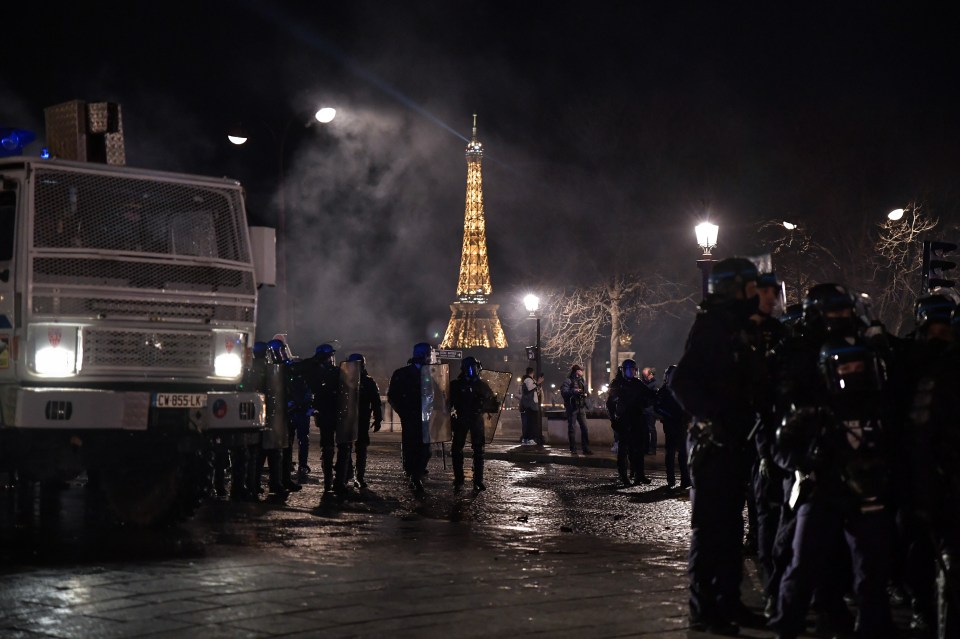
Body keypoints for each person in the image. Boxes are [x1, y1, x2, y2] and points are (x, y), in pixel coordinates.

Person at [670, 256, 767, 635]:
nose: (757, 294)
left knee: (730, 528)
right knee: (711, 530)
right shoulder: (712, 325)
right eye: (752, 286)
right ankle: (703, 608)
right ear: (737, 288)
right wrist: (710, 420)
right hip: (715, 443)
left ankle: (729, 602)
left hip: (735, 439)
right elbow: (682, 381)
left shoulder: (737, 326)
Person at [388, 342, 433, 495]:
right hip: (411, 416)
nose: (430, 357)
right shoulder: (402, 373)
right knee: (412, 446)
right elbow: (393, 396)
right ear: (424, 355)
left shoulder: (431, 373)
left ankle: (416, 473)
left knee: (425, 449)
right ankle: (414, 474)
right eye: (429, 353)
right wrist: (403, 412)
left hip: (425, 417)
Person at [449, 356, 499, 492]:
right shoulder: (479, 385)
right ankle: (474, 480)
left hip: (467, 419)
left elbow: (492, 405)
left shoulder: (457, 385)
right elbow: (493, 405)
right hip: (471, 419)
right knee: (474, 451)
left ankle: (464, 480)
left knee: (465, 450)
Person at [606, 359, 656, 486]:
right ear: (624, 370)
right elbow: (610, 404)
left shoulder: (637, 383)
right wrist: (613, 419)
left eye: (633, 369)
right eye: (630, 369)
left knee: (638, 449)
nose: (632, 371)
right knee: (623, 450)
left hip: (637, 419)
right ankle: (623, 476)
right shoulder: (617, 384)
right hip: (624, 420)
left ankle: (639, 475)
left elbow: (649, 394)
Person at [302, 343, 342, 496]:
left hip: (331, 412)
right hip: (327, 412)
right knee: (329, 447)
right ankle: (330, 480)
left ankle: (334, 479)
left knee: (333, 446)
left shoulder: (329, 371)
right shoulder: (316, 371)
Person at [347, 353, 382, 489]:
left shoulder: (368, 382)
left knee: (360, 448)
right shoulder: (345, 380)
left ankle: (359, 476)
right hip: (349, 418)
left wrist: (378, 418)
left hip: (361, 419)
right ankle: (349, 472)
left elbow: (376, 401)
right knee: (347, 447)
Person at [654, 364, 690, 490]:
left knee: (683, 454)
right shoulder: (664, 391)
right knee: (670, 454)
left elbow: (688, 406)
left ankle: (685, 479)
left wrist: (686, 416)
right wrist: (669, 415)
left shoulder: (682, 390)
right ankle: (671, 479)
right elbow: (657, 407)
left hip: (681, 425)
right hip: (670, 425)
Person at [560, 365, 592, 455]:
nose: (582, 372)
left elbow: (586, 392)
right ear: (577, 371)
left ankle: (586, 448)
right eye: (581, 370)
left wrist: (585, 394)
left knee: (585, 429)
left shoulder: (582, 380)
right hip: (572, 408)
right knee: (572, 429)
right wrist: (574, 391)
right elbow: (564, 392)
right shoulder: (568, 380)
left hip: (581, 407)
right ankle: (573, 449)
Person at [519, 367, 543, 445]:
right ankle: (530, 439)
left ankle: (526, 439)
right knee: (531, 423)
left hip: (531, 404)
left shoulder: (528, 380)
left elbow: (534, 391)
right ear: (532, 373)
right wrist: (538, 382)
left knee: (529, 422)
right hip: (530, 405)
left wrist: (538, 386)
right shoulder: (528, 380)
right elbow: (530, 388)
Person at [641, 367, 658, 454]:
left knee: (651, 429)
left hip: (651, 408)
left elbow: (646, 390)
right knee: (646, 429)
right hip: (646, 408)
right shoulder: (647, 382)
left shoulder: (654, 383)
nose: (645, 376)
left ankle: (652, 449)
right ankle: (646, 448)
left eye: (646, 375)